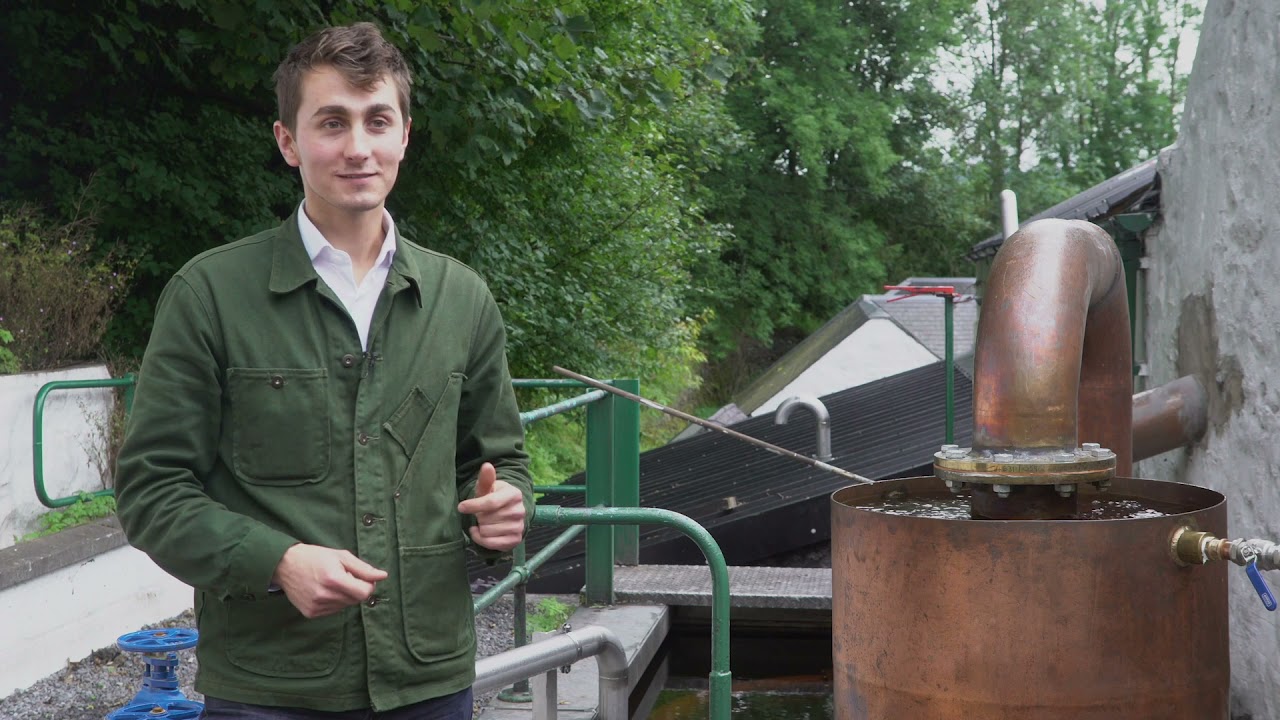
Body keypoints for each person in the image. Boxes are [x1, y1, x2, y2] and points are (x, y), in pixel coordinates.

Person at [114, 21, 533, 718]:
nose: (358, 147)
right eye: (331, 122)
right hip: (269, 687)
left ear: (404, 134)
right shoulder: (210, 296)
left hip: (428, 682)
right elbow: (152, 492)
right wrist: (276, 561)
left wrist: (506, 508)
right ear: (288, 141)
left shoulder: (462, 300)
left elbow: (499, 464)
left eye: (378, 121)